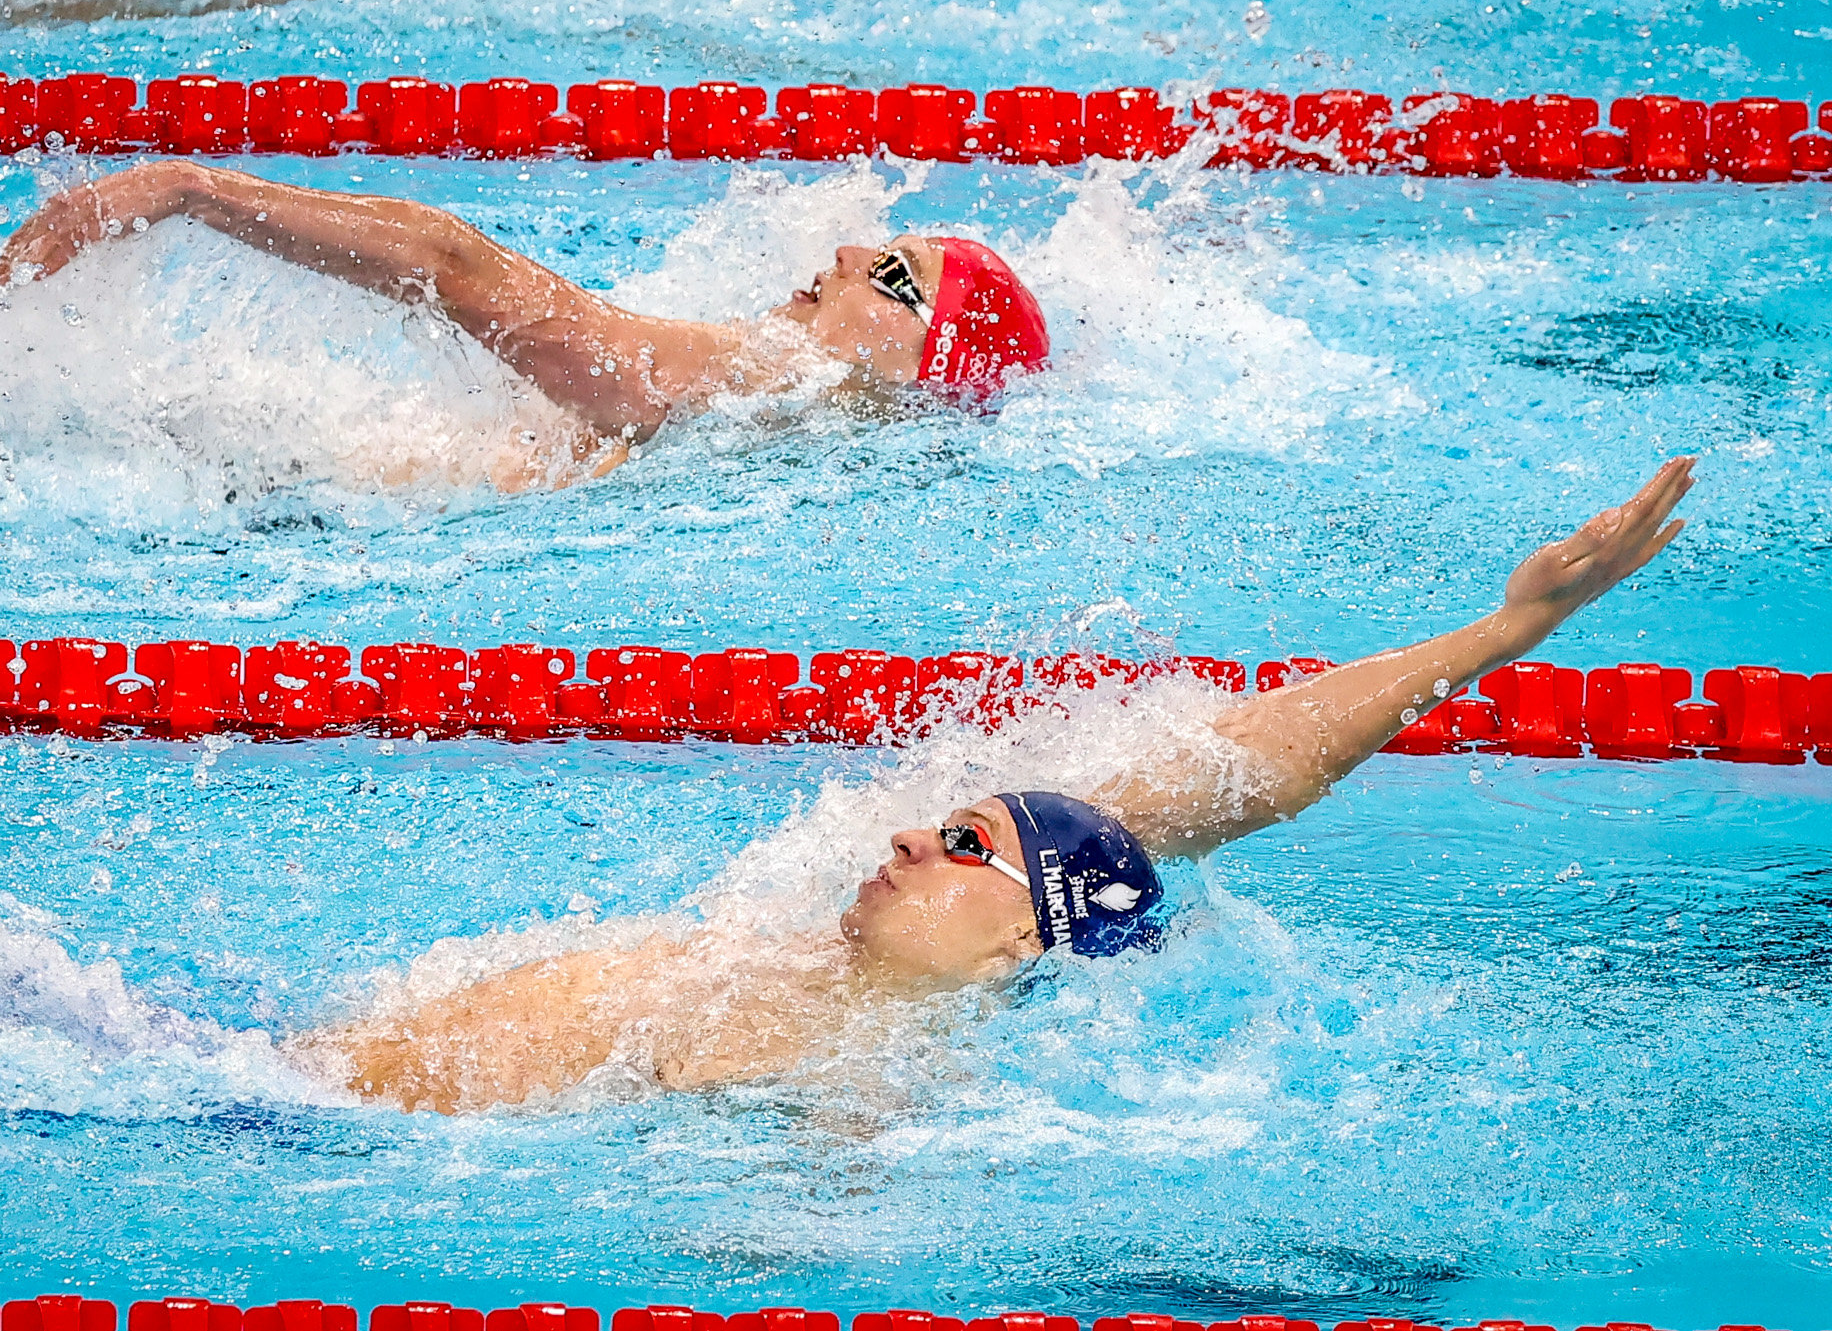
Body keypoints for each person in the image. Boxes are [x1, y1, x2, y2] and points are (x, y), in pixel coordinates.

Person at [294, 457, 1697, 1112]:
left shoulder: (873, 1079)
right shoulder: (800, 952)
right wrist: (1502, 637)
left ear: (1029, 936)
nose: (905, 829)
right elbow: (1236, 772)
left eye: (959, 841)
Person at [0, 159, 1051, 490]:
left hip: (266, 498)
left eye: (891, 274)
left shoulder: (762, 381)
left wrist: (191, 191)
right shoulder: (804, 435)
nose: (847, 253)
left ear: (923, 362)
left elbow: (456, 268)